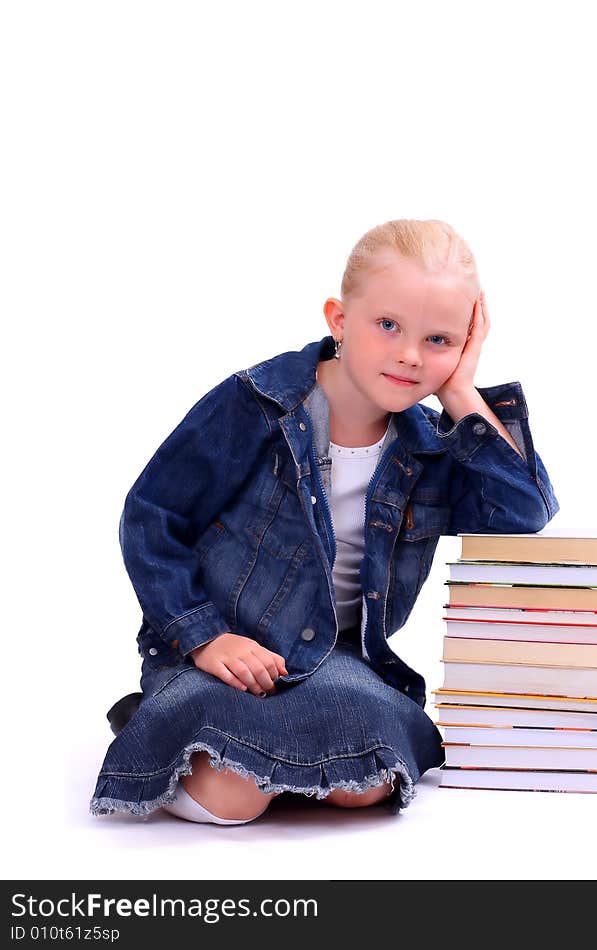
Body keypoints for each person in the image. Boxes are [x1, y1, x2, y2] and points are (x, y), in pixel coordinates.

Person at [89, 218, 560, 824]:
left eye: (440, 341)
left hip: (328, 659)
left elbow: (523, 512)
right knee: (234, 801)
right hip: (225, 650)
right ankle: (169, 723)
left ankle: (258, 752)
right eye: (387, 325)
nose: (410, 356)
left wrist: (463, 394)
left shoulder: (432, 449)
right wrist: (202, 637)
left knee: (367, 784)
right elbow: (152, 518)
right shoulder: (259, 404)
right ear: (338, 320)